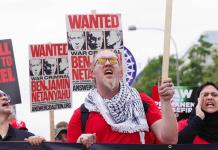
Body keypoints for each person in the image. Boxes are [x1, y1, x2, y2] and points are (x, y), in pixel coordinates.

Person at [67, 50, 178, 147]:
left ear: (121, 72)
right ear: (92, 73)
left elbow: (170, 139)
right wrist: (80, 143)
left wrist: (166, 101)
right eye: (101, 61)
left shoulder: (142, 102)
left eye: (113, 61)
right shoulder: (81, 115)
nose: (107, 63)